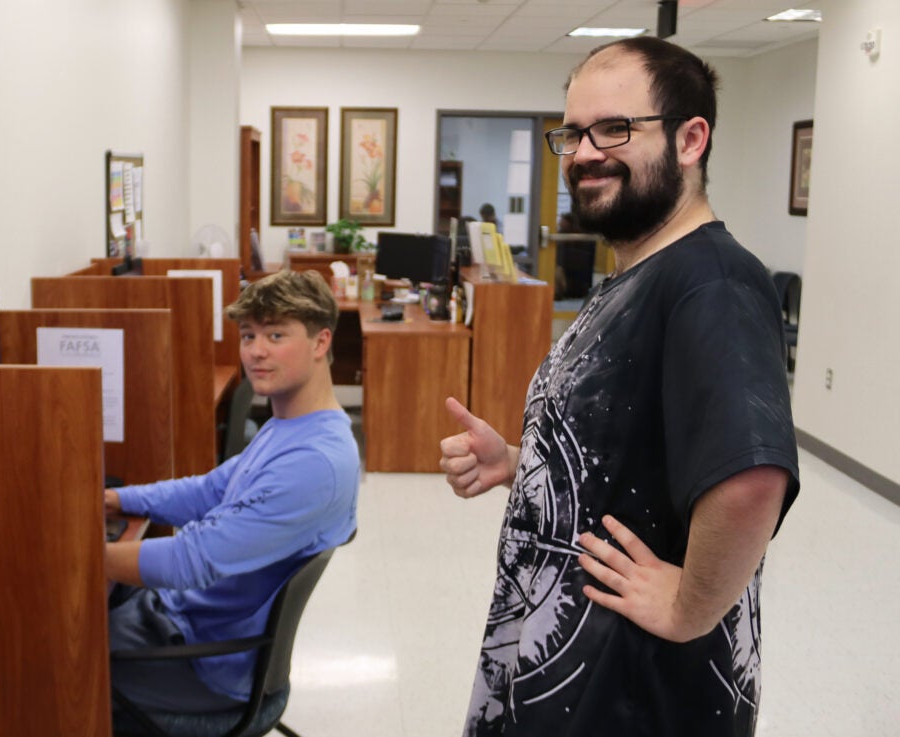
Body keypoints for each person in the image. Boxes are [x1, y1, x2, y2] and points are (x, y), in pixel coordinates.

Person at [440, 37, 799, 737]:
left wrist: (690, 604)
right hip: (575, 665)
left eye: (614, 129)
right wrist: (521, 464)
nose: (582, 153)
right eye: (573, 133)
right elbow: (631, 448)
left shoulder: (712, 283)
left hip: (634, 690)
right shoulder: (641, 276)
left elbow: (753, 473)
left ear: (692, 139)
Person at [105, 269, 360, 718]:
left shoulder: (314, 463)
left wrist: (77, 556)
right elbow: (210, 490)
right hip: (187, 623)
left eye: (276, 335)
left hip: (206, 664)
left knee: (43, 663)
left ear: (321, 343)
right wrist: (118, 501)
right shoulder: (289, 424)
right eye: (248, 336)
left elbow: (193, 560)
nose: (256, 352)